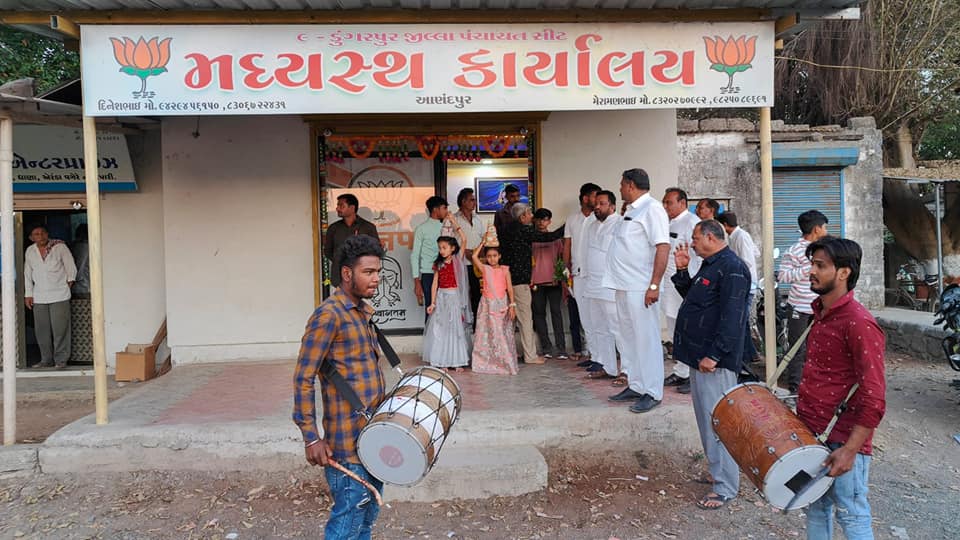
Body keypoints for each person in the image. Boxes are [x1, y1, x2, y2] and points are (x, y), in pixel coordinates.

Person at [293, 234, 386, 540]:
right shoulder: (328, 315)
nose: (376, 279)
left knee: (364, 524)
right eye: (368, 272)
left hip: (371, 442)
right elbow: (303, 377)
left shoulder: (361, 312)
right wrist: (311, 437)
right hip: (346, 448)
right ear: (347, 273)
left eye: (378, 271)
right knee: (346, 528)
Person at [798, 237, 885, 540]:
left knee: (852, 514)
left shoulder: (859, 323)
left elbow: (874, 397)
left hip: (843, 439)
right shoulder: (820, 315)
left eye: (820, 265)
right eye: (812, 264)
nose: (812, 271)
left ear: (844, 272)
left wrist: (850, 450)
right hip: (813, 434)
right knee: (815, 508)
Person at [672, 219, 751, 510]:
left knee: (718, 423)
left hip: (715, 362)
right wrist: (683, 271)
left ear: (709, 237)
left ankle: (725, 486)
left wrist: (715, 355)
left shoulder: (733, 268)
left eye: (695, 238)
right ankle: (718, 472)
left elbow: (733, 318)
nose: (692, 244)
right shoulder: (712, 265)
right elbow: (696, 301)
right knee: (707, 422)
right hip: (700, 357)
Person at [603, 168, 671, 413]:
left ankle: (653, 391)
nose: (620, 188)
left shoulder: (652, 209)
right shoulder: (631, 210)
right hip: (623, 285)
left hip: (641, 287)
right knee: (629, 338)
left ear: (631, 185)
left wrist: (654, 285)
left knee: (646, 339)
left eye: (622, 184)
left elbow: (662, 247)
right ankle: (637, 384)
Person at [500, 203, 565, 365]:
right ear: (522, 216)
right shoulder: (524, 230)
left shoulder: (506, 230)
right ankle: (530, 355)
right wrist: (568, 225)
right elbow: (548, 237)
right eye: (529, 214)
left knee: (508, 321)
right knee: (525, 319)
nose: (532, 217)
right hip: (520, 281)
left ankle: (507, 354)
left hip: (505, 279)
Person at [778, 209, 829, 393]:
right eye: (824, 227)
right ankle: (796, 388)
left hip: (821, 307)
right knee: (797, 348)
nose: (826, 231)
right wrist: (808, 268)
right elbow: (783, 276)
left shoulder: (825, 251)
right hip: (798, 308)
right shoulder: (794, 251)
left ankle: (817, 385)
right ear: (816, 229)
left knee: (820, 347)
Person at [661, 187, 701, 395]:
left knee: (688, 331)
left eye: (669, 202)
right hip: (669, 285)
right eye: (664, 202)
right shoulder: (667, 222)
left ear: (683, 203)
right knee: (674, 330)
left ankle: (693, 375)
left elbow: (700, 255)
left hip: (686, 283)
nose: (665, 206)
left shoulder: (692, 222)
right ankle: (681, 371)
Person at [581, 190, 621, 381]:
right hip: (592, 284)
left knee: (617, 330)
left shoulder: (620, 224)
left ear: (612, 206)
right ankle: (608, 367)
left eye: (602, 203)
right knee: (599, 328)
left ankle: (627, 371)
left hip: (610, 286)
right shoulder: (592, 226)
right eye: (596, 203)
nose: (597, 207)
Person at [24, 225, 77, 369]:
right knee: (42, 330)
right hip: (39, 296)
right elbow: (27, 273)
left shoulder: (59, 247)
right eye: (36, 234)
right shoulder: (30, 251)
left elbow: (70, 267)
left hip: (59, 294)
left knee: (60, 330)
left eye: (42, 233)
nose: (40, 236)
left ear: (47, 234)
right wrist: (28, 294)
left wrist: (68, 283)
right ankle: (46, 359)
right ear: (31, 238)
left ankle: (61, 360)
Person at [423, 227, 473, 372]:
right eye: (440, 248)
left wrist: (454, 222)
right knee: (441, 329)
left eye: (444, 248)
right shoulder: (438, 264)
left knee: (455, 327)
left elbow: (464, 239)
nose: (441, 251)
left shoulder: (457, 260)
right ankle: (442, 360)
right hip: (441, 298)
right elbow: (435, 283)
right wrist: (432, 302)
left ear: (452, 248)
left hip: (454, 297)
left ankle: (457, 360)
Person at [563, 182, 601, 362]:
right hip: (577, 274)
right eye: (595, 196)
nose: (598, 201)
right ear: (585, 198)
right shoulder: (572, 219)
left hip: (595, 274)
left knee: (598, 316)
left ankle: (602, 357)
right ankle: (593, 355)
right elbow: (567, 245)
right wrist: (565, 270)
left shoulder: (599, 219)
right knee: (584, 316)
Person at [717, 212, 760, 365]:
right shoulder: (735, 236)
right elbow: (756, 252)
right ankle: (749, 353)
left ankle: (747, 354)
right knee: (741, 320)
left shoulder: (741, 236)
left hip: (745, 284)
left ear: (724, 225)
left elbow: (748, 261)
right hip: (742, 283)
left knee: (740, 320)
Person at [471, 239, 519, 375]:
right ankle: (488, 362)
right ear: (486, 258)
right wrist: (482, 243)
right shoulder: (485, 269)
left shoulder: (505, 270)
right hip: (487, 305)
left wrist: (512, 305)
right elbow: (474, 256)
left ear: (499, 256)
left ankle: (507, 363)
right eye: (489, 256)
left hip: (501, 304)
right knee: (487, 333)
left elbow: (510, 289)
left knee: (501, 333)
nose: (492, 259)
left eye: (494, 256)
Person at [531, 208, 567, 359]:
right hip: (535, 282)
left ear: (549, 221)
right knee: (539, 315)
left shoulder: (556, 239)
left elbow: (561, 259)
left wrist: (561, 277)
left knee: (556, 314)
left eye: (545, 219)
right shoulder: (530, 238)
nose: (541, 222)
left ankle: (561, 349)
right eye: (539, 219)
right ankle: (546, 348)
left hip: (554, 281)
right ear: (534, 220)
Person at [325, 193, 380, 288]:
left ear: (352, 208)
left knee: (361, 298)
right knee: (341, 298)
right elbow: (328, 251)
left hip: (363, 279)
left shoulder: (368, 227)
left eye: (341, 206)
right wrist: (341, 261)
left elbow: (376, 251)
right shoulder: (333, 228)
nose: (337, 208)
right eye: (337, 205)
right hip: (340, 277)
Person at [411, 196, 449, 320]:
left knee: (445, 310)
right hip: (429, 274)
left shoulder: (447, 228)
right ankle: (429, 333)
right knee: (431, 309)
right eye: (444, 208)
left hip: (446, 272)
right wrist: (417, 281)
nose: (446, 211)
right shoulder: (421, 229)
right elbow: (415, 255)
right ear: (435, 209)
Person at [452, 187, 486, 321]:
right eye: (472, 200)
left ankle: (477, 324)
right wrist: (463, 251)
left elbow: (483, 238)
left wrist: (480, 252)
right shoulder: (454, 219)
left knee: (478, 294)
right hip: (461, 263)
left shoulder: (477, 219)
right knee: (462, 294)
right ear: (463, 201)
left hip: (477, 263)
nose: (474, 203)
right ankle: (463, 323)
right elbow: (449, 241)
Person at [71, 224, 90, 295]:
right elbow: (80, 267)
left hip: (75, 286)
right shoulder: (86, 247)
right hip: (84, 286)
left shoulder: (73, 246)